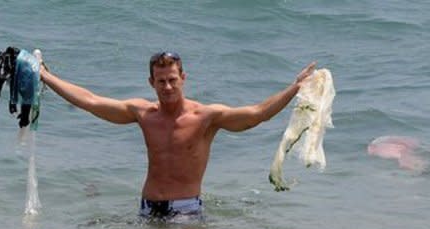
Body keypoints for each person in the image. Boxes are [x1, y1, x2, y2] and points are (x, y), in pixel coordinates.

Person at [40, 51, 315, 219]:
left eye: (173, 79)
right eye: (161, 81)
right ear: (152, 83)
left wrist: (295, 88)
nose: (168, 86)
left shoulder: (206, 117)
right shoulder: (143, 113)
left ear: (183, 77)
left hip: (186, 211)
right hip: (147, 209)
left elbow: (256, 114)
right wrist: (45, 76)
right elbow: (90, 101)